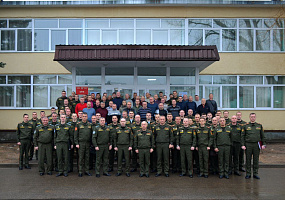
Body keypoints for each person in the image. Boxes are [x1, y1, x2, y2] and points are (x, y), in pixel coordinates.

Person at [241, 113, 266, 180]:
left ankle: (255, 173)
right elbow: (242, 136)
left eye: (254, 117)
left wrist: (263, 144)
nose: (253, 118)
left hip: (256, 144)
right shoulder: (245, 126)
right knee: (248, 159)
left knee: (256, 159)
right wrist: (243, 144)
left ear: (255, 117)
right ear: (249, 117)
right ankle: (248, 173)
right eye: (251, 117)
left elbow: (262, 136)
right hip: (248, 144)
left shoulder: (259, 126)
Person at [74, 113, 93, 177]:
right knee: (81, 158)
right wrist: (76, 143)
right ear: (81, 117)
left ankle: (87, 171)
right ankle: (80, 171)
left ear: (87, 117)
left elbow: (91, 135)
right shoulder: (78, 124)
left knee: (87, 157)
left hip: (87, 143)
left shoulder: (90, 125)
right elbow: (75, 135)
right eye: (83, 116)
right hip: (81, 143)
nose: (84, 117)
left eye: (85, 116)